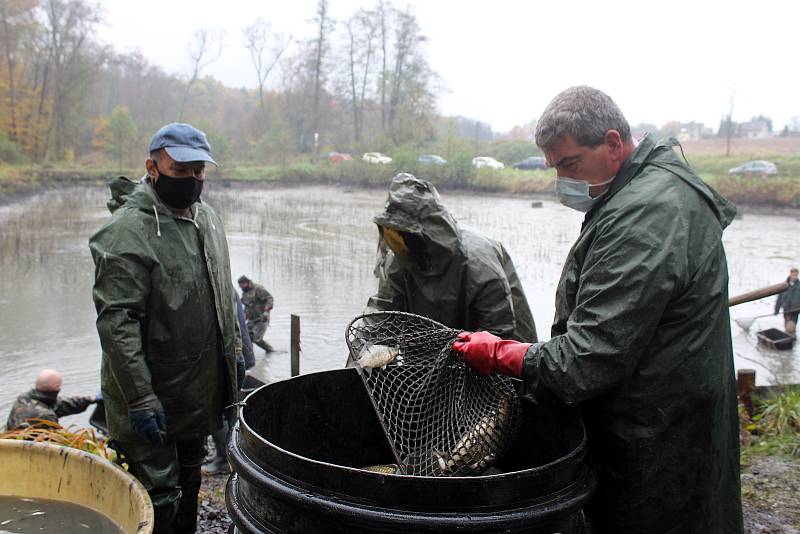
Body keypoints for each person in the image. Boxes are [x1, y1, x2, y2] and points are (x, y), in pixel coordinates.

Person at [452, 87, 743, 533]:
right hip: (665, 412)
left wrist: (503, 354)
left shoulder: (647, 213)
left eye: (569, 163)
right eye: (555, 168)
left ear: (612, 143)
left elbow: (588, 358)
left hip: (655, 434)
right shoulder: (644, 189)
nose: (562, 180)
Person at [90, 123, 241, 534]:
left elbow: (223, 298)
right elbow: (117, 323)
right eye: (180, 171)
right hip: (151, 397)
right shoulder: (125, 233)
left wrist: (236, 359)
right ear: (152, 167)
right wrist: (139, 397)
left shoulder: (207, 219)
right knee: (156, 495)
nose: (192, 181)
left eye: (199, 172)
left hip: (198, 392)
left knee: (190, 478)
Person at [366, 173, 536, 342]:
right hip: (434, 347)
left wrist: (458, 357)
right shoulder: (399, 260)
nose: (400, 245)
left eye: (406, 236)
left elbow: (499, 330)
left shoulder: (479, 264)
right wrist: (368, 352)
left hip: (503, 344)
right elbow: (382, 313)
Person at [5, 369, 99, 430]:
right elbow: (61, 443)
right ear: (56, 387)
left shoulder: (23, 398)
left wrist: (91, 399)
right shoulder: (46, 416)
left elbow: (62, 404)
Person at [238, 275, 275, 352]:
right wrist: (244, 316)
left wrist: (266, 311)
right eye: (240, 287)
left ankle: (270, 350)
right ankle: (249, 355)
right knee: (245, 337)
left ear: (247, 283)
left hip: (262, 319)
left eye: (242, 285)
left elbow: (270, 298)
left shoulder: (258, 289)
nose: (241, 288)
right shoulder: (244, 293)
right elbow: (247, 306)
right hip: (252, 320)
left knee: (257, 339)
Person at [774, 268, 800, 335]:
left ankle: (792, 339)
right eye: (793, 275)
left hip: (795, 310)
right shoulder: (784, 285)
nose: (795, 277)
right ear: (790, 274)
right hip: (786, 310)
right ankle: (787, 338)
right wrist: (776, 310)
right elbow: (779, 299)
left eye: (796, 275)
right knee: (786, 325)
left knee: (791, 326)